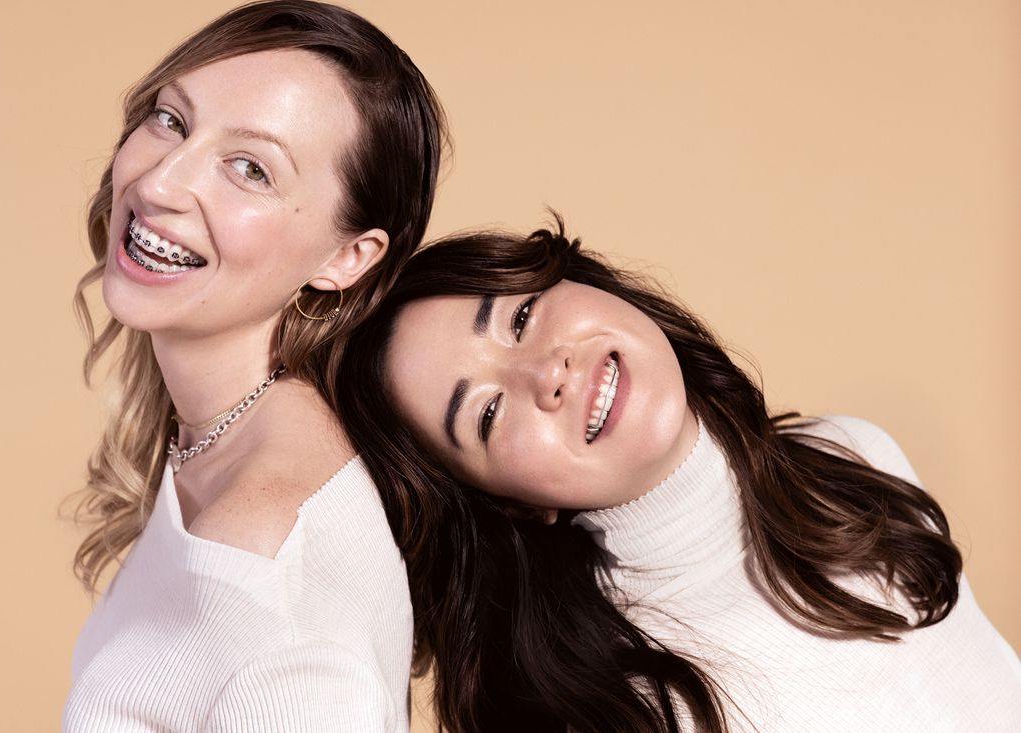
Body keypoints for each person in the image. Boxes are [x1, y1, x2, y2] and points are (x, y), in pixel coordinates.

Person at [331, 220, 1021, 732]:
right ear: (507, 504)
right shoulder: (611, 710)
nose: (547, 373)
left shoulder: (851, 456)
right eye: (486, 414)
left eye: (519, 316)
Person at [61, 2, 446, 731]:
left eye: (250, 169)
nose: (159, 183)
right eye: (171, 120)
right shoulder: (230, 440)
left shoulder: (276, 587)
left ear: (345, 258)